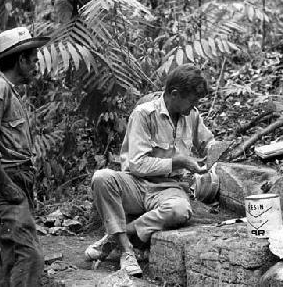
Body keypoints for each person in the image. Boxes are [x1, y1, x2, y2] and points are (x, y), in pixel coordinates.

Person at [85, 65, 215, 277]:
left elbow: (207, 140)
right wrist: (178, 161)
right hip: (135, 183)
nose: (194, 106)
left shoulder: (191, 115)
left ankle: (117, 234)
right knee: (102, 177)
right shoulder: (143, 114)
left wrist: (212, 151)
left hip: (168, 187)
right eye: (192, 100)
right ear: (174, 94)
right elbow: (137, 164)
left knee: (180, 209)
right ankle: (127, 251)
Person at [0, 26, 49, 287]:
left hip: (12, 178)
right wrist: (7, 186)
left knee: (6, 252)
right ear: (20, 60)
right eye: (33, 59)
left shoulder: (8, 89)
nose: (37, 64)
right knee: (28, 254)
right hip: (4, 179)